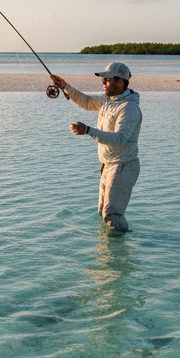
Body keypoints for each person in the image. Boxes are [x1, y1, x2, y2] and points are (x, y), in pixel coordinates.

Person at [50, 61, 142, 232]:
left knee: (112, 215)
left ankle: (123, 253)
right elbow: (86, 101)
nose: (103, 82)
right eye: (103, 79)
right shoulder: (108, 100)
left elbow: (121, 138)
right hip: (108, 165)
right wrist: (65, 86)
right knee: (103, 213)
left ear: (120, 81)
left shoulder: (129, 108)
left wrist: (88, 130)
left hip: (123, 165)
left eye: (107, 79)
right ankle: (109, 252)